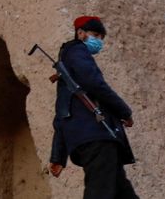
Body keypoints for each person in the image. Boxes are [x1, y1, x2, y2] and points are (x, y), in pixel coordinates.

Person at [48, 15, 139, 198]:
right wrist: (125, 111)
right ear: (80, 33)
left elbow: (61, 114)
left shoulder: (66, 69)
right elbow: (96, 84)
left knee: (123, 193)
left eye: (101, 38)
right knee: (99, 192)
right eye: (95, 35)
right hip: (97, 137)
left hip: (88, 140)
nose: (98, 41)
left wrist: (58, 156)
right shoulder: (77, 52)